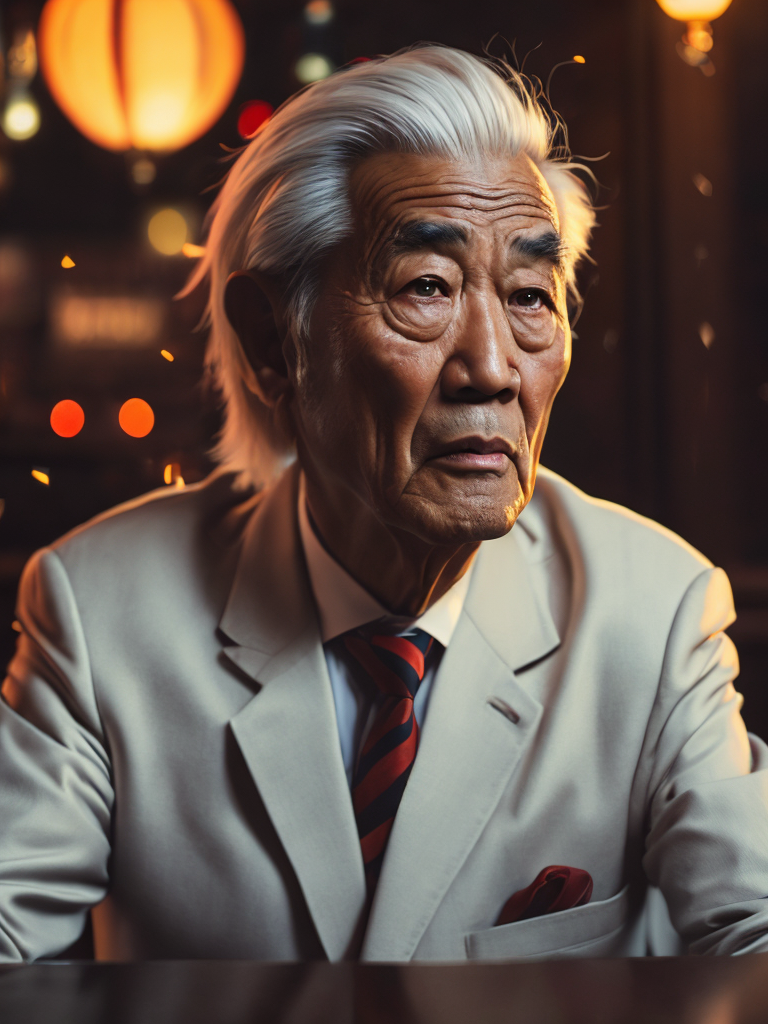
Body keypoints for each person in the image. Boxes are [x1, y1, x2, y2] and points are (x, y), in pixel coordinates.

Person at [2, 45, 768, 964]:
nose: (491, 367)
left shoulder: (653, 610)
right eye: (426, 290)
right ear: (271, 345)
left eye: (530, 296)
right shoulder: (101, 611)